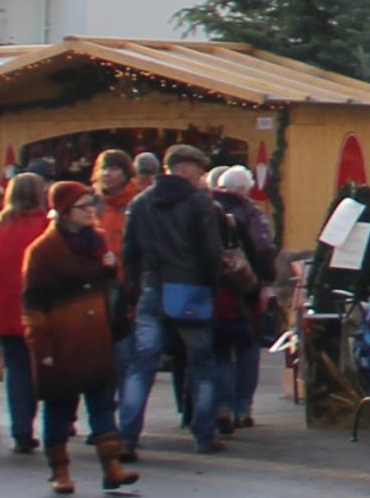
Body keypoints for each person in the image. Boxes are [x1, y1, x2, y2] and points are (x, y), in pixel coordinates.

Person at [116, 144, 229, 457]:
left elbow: (129, 252)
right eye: (199, 170)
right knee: (202, 364)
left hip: (152, 288)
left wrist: (137, 286)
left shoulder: (140, 202)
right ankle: (204, 435)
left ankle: (127, 437)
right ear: (186, 168)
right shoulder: (199, 203)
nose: (200, 176)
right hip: (191, 289)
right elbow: (210, 252)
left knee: (142, 365)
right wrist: (211, 284)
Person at [23, 181, 132, 495]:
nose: (90, 211)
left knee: (102, 403)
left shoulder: (97, 241)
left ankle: (112, 466)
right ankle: (60, 470)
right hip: (62, 339)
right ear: (64, 211)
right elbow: (32, 304)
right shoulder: (43, 250)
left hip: (95, 337)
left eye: (90, 204)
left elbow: (106, 286)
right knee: (59, 407)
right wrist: (40, 344)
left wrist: (110, 269)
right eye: (82, 206)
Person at [206, 167, 283, 435]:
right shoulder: (250, 214)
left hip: (215, 293)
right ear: (242, 189)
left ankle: (223, 405)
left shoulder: (207, 210)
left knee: (220, 353)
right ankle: (242, 407)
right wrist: (266, 281)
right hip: (245, 292)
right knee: (247, 349)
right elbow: (264, 250)